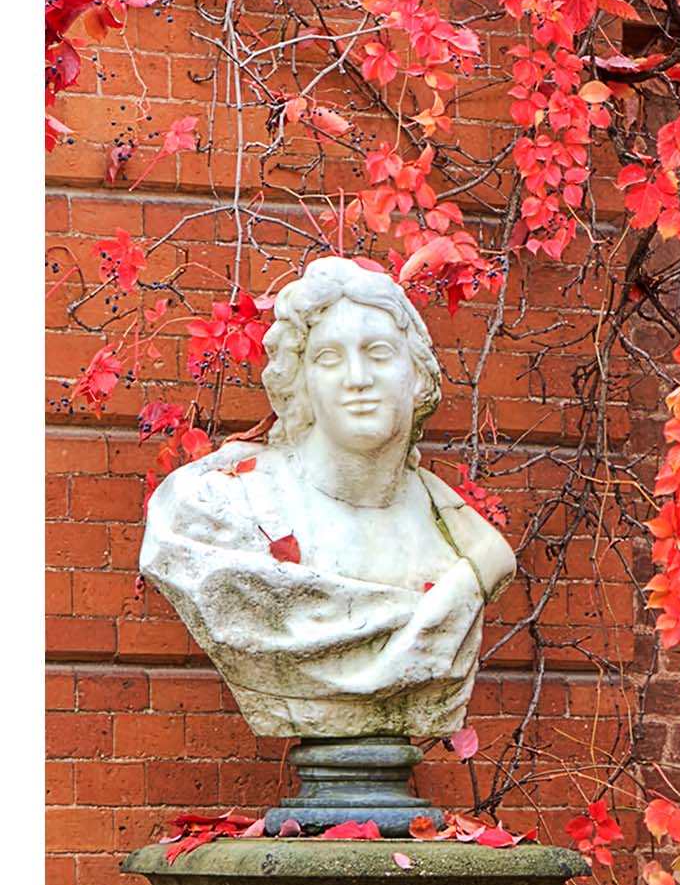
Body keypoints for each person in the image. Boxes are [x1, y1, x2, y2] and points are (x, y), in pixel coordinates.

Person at [140, 257, 515, 743]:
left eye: (378, 352)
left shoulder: (464, 543)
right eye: (329, 358)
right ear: (300, 383)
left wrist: (479, 572)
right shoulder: (215, 510)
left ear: (418, 377)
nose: (357, 378)